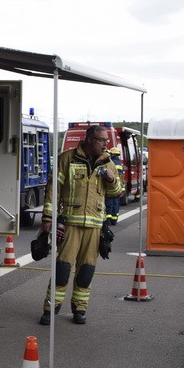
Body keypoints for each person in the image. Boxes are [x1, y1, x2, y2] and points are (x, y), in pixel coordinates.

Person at [38, 124, 123, 325]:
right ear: (89, 139)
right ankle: (51, 308)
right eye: (102, 140)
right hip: (70, 225)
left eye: (106, 141)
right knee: (62, 269)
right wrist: (48, 218)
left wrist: (111, 181)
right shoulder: (67, 159)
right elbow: (53, 190)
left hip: (95, 227)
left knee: (86, 271)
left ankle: (79, 309)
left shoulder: (108, 163)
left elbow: (116, 193)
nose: (105, 144)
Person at [104, 146, 124, 225]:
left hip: (111, 186)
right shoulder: (120, 164)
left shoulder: (110, 163)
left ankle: (108, 220)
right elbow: (121, 177)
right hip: (118, 187)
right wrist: (122, 189)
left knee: (109, 203)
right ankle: (114, 220)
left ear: (112, 154)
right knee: (116, 204)